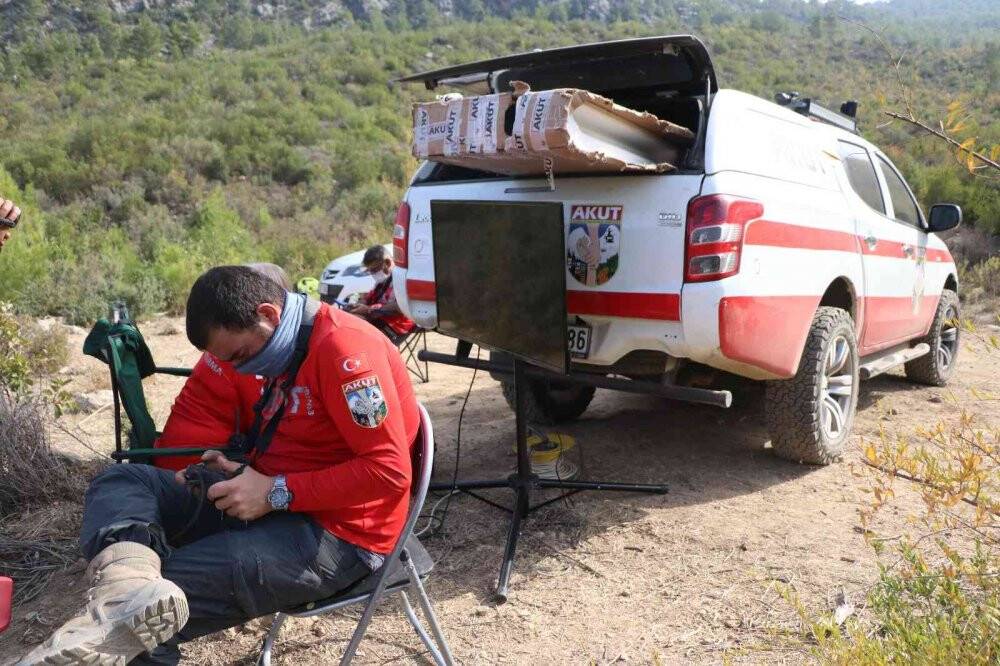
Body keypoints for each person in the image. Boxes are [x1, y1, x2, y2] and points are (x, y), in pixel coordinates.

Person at [19, 265, 420, 665]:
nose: (242, 369)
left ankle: (128, 605)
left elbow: (389, 472)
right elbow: (305, 441)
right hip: (278, 501)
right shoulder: (287, 342)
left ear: (269, 314)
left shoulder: (345, 352)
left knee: (145, 617)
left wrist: (275, 491)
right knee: (123, 481)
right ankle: (128, 578)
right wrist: (243, 470)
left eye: (242, 356)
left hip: (341, 537)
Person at [151, 262, 293, 471]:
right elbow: (267, 423)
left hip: (175, 452)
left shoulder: (223, 347)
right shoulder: (245, 355)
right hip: (196, 463)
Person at [344, 245, 416, 341]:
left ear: (387, 262)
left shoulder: (403, 281)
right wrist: (357, 306)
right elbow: (367, 298)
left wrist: (369, 309)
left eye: (374, 270)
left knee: (351, 327)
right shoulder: (383, 281)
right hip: (378, 320)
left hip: (394, 326)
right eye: (369, 271)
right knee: (344, 318)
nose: (372, 274)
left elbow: (400, 307)